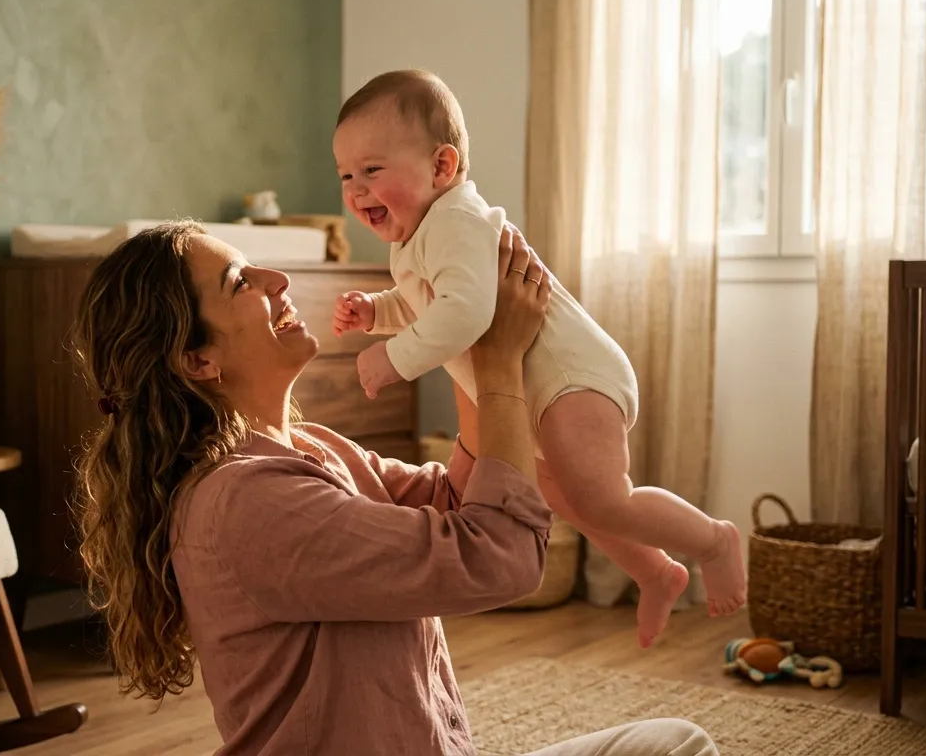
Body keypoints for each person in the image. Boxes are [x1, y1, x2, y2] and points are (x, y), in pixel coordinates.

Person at [71, 220, 719, 755]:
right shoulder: (246, 500)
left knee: (677, 742)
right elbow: (500, 556)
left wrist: (466, 339)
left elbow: (458, 498)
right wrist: (499, 370)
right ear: (198, 360)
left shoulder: (312, 447)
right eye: (242, 282)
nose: (279, 281)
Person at [331, 68, 745, 648]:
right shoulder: (417, 235)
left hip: (576, 378)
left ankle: (712, 541)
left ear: (442, 168)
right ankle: (655, 570)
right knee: (567, 497)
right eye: (346, 174)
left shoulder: (456, 221)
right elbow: (430, 300)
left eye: (372, 171)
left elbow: (467, 314)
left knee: (604, 496)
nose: (355, 189)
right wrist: (378, 310)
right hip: (539, 393)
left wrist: (392, 358)